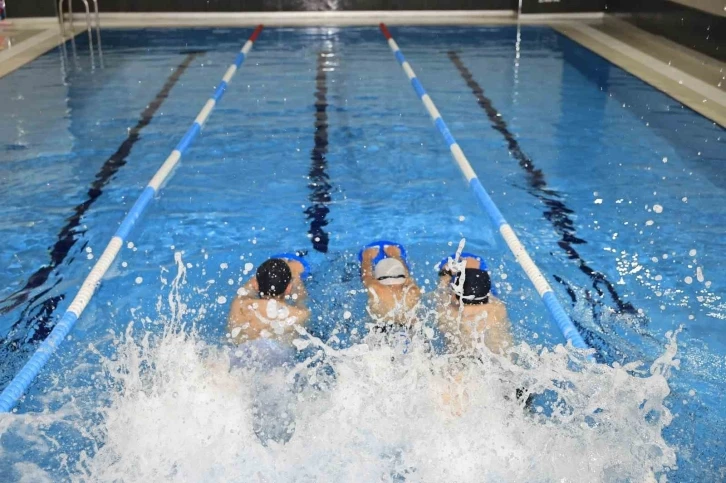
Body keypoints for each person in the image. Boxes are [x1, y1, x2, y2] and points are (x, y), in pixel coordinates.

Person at [227, 254, 311, 368]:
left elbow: (248, 287)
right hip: (276, 365)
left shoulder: (240, 305)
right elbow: (302, 299)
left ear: (256, 284)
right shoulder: (298, 314)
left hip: (241, 359)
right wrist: (296, 275)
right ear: (288, 288)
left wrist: (267, 273)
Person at [434, 252, 513, 355]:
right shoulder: (497, 308)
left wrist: (445, 275)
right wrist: (474, 270)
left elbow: (441, 293)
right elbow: (485, 294)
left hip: (460, 361)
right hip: (498, 361)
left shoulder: (450, 311)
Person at [359, 240, 422, 331]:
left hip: (381, 331)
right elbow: (407, 277)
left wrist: (366, 258)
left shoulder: (376, 288)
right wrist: (396, 255)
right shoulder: (413, 290)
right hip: (410, 330)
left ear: (377, 279)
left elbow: (366, 276)